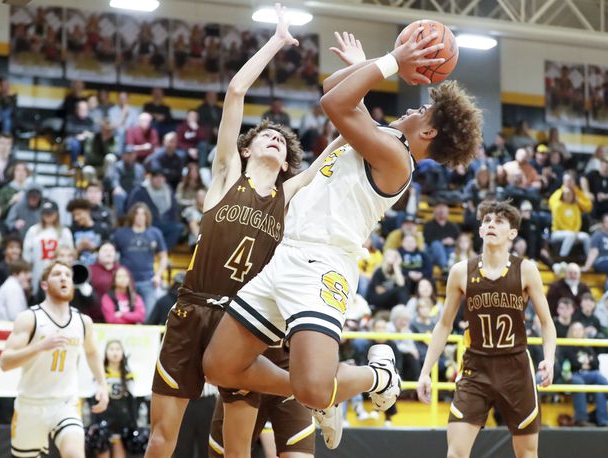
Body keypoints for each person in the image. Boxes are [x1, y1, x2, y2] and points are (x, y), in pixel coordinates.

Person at [203, 22, 481, 450]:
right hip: (287, 256)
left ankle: (377, 376)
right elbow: (335, 84)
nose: (411, 108)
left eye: (422, 112)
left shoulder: (396, 158)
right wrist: (374, 64)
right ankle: (328, 393)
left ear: (427, 134)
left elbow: (332, 102)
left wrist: (392, 63)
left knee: (315, 386)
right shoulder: (383, 135)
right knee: (219, 366)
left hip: (323, 266)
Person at [144, 7, 328, 456]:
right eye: (265, 135)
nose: (274, 140)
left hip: (241, 322)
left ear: (286, 163)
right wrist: (278, 40)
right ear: (246, 149)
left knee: (237, 448)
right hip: (191, 309)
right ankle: (323, 397)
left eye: (281, 142)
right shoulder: (227, 176)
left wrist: (364, 102)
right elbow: (235, 91)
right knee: (161, 436)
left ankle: (323, 396)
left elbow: (331, 156)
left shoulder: (286, 194)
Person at [417, 200, 556, 457]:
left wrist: (549, 359)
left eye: (499, 221)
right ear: (480, 231)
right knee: (456, 453)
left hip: (515, 367)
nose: (491, 224)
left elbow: (547, 323)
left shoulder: (526, 270)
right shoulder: (460, 272)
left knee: (527, 453)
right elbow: (444, 324)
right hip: (475, 367)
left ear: (512, 233)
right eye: (487, 221)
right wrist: (425, 371)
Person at [0, 261, 109, 458]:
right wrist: (40, 346)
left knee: (75, 454)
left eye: (67, 275)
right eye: (57, 274)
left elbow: (92, 352)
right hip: (30, 405)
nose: (64, 278)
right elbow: (5, 362)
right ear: (44, 285)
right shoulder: (29, 318)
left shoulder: (83, 321)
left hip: (65, 403)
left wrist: (102, 383)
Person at [560, 322, 608, 427]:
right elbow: (571, 363)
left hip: (588, 375)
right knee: (589, 378)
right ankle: (581, 419)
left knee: (599, 386)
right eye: (575, 330)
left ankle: (604, 422)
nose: (578, 332)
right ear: (571, 332)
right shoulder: (566, 346)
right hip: (573, 375)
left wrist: (584, 364)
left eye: (580, 329)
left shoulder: (587, 346)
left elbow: (596, 363)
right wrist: (583, 364)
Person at [95, 340, 137, 458]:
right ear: (106, 353)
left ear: (123, 353)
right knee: (103, 450)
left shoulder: (128, 374)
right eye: (112, 349)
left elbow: (131, 400)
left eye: (118, 349)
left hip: (121, 418)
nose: (115, 352)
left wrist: (133, 421)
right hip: (103, 417)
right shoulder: (100, 373)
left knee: (119, 451)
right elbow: (94, 398)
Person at [22, 201, 74, 294]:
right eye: (45, 213)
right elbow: (27, 256)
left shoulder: (64, 232)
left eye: (51, 213)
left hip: (59, 275)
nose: (48, 215)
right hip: (38, 273)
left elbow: (70, 255)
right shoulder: (33, 231)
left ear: (57, 214)